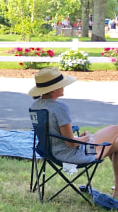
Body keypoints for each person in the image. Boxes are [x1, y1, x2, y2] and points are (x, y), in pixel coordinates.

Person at [29, 67, 118, 198]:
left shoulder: (35, 106)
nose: (64, 86)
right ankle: (117, 190)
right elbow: (71, 144)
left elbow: (54, 134)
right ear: (54, 89)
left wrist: (77, 138)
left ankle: (117, 186)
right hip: (73, 155)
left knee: (115, 136)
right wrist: (86, 138)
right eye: (62, 84)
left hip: (50, 152)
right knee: (115, 136)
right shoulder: (59, 108)